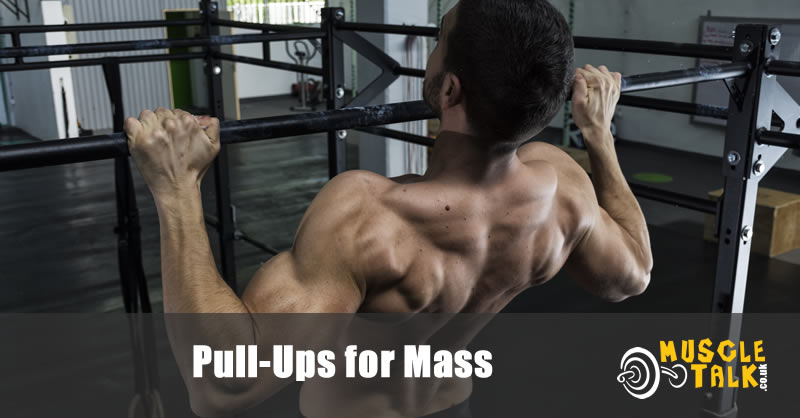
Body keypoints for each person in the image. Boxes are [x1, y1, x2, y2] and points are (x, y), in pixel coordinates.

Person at [124, 0, 652, 416]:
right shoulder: (563, 189)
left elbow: (222, 388)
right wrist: (599, 138)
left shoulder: (369, 218)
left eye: (440, 38)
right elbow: (631, 276)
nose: (434, 46)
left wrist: (177, 192)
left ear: (449, 89)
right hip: (453, 405)